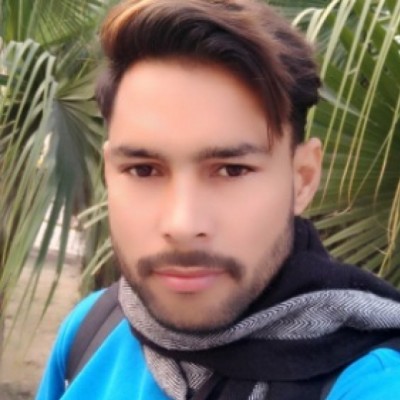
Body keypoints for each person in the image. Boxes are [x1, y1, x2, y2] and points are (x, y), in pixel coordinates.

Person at [36, 0, 400, 399]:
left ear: (303, 179)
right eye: (143, 170)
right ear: (109, 172)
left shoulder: (372, 381)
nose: (182, 225)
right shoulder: (90, 329)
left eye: (232, 170)